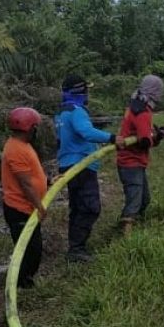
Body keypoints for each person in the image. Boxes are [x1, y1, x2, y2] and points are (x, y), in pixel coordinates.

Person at [55, 75, 122, 261]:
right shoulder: (77, 111)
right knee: (91, 208)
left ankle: (74, 247)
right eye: (86, 90)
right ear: (80, 92)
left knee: (77, 208)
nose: (88, 93)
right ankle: (76, 249)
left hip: (67, 166)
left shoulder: (61, 113)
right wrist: (112, 138)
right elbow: (86, 132)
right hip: (81, 166)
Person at [116, 75, 164, 235]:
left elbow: (143, 133)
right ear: (155, 92)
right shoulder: (143, 111)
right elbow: (144, 140)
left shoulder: (136, 104)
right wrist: (159, 136)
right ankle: (127, 235)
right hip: (131, 162)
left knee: (144, 199)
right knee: (135, 198)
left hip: (133, 161)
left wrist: (161, 133)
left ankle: (131, 224)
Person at [1, 107, 48, 289]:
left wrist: (49, 181)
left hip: (26, 208)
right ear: (30, 128)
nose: (36, 130)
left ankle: (24, 280)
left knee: (32, 248)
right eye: (35, 127)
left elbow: (32, 176)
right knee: (29, 250)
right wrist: (39, 206)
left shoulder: (23, 146)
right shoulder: (15, 150)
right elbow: (25, 184)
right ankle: (20, 283)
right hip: (20, 209)